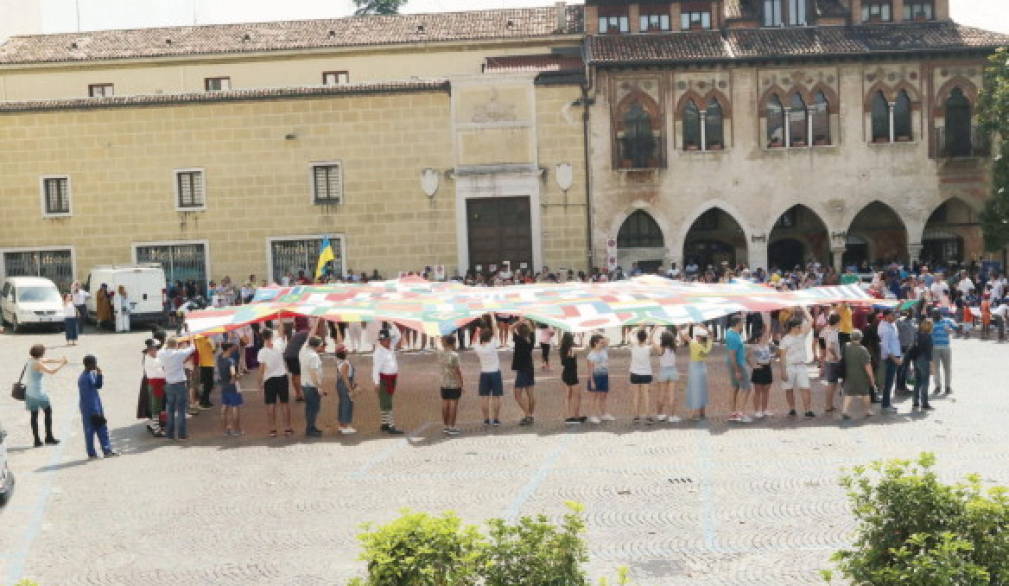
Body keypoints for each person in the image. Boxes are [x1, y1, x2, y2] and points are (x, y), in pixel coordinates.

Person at [24, 344, 67, 447]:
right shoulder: (38, 363)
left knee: (34, 416)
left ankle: (36, 440)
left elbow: (46, 360)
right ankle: (49, 437)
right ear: (41, 353)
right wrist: (62, 364)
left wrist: (58, 360)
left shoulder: (30, 360)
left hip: (29, 393)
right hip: (39, 394)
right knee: (48, 412)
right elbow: (51, 371)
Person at [77, 355, 117, 458]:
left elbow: (98, 386)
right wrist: (96, 412)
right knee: (96, 430)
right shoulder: (84, 379)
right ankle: (104, 452)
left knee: (93, 430)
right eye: (94, 363)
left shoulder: (90, 373)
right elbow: (87, 397)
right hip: (91, 409)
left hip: (94, 406)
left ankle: (96, 453)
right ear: (89, 364)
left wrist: (99, 375)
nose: (96, 365)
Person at [157, 337, 196, 441]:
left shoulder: (162, 354)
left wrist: (166, 344)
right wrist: (192, 339)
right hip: (180, 383)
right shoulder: (179, 354)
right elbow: (193, 348)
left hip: (169, 384)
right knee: (181, 410)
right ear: (176, 345)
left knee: (170, 410)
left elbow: (161, 349)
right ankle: (182, 434)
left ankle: (169, 434)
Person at [779, 307, 815, 418]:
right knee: (789, 389)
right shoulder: (785, 340)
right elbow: (782, 358)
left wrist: (803, 307)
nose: (801, 327)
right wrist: (783, 372)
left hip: (801, 366)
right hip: (789, 367)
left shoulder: (802, 334)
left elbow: (811, 320)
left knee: (806, 388)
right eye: (799, 326)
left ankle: (808, 410)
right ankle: (792, 408)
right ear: (794, 327)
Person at [257, 329, 293, 437]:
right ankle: (287, 428)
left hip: (269, 379)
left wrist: (259, 383)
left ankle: (272, 429)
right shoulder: (278, 345)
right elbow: (282, 332)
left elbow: (261, 369)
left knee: (270, 404)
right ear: (272, 336)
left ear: (262, 338)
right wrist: (279, 316)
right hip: (282, 377)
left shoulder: (262, 352)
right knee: (285, 403)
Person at [372, 325, 405, 435]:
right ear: (381, 340)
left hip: (391, 379)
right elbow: (375, 369)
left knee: (385, 402)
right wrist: (376, 383)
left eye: (389, 338)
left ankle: (384, 424)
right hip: (384, 380)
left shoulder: (390, 346)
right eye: (386, 339)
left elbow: (399, 335)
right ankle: (391, 426)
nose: (389, 340)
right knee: (387, 403)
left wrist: (392, 323)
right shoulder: (378, 353)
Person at [474, 314, 503, 426]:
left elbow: (475, 339)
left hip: (484, 373)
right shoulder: (492, 344)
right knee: (496, 397)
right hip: (495, 372)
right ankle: (496, 419)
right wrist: (492, 316)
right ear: (490, 337)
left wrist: (477, 331)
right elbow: (495, 329)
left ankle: (486, 419)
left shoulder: (478, 348)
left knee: (484, 397)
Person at [841, 330, 876, 420]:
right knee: (865, 394)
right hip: (861, 377)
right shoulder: (863, 350)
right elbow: (868, 366)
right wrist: (872, 379)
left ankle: (844, 410)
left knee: (849, 393)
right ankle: (867, 410)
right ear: (861, 338)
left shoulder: (846, 346)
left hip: (848, 375)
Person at [725, 316, 752, 423]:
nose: (743, 324)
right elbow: (732, 355)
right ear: (737, 323)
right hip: (738, 364)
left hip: (736, 363)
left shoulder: (732, 333)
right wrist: (737, 370)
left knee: (735, 388)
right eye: (742, 322)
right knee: (747, 388)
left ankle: (734, 414)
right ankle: (740, 413)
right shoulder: (733, 336)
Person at [436, 335, 463, 435]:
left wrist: (438, 336)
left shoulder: (440, 353)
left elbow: (438, 342)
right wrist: (462, 383)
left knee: (445, 404)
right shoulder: (454, 355)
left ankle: (446, 426)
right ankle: (452, 426)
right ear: (453, 343)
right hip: (454, 383)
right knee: (453, 405)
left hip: (444, 382)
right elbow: (458, 371)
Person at [511, 318, 537, 425]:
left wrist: (519, 322)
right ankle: (530, 415)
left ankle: (528, 414)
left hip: (522, 371)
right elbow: (533, 330)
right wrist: (527, 324)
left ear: (519, 332)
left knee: (517, 395)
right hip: (530, 368)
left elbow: (511, 328)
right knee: (530, 394)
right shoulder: (531, 340)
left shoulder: (518, 340)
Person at [685, 326, 714, 421]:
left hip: (694, 368)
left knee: (694, 390)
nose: (696, 337)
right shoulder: (707, 345)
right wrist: (705, 327)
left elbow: (685, 336)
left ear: (699, 337)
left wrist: (685, 327)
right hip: (702, 368)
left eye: (697, 336)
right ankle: (702, 412)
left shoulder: (694, 344)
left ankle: (693, 414)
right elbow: (711, 334)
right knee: (702, 390)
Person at [299, 336, 326, 437]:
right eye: (321, 345)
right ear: (317, 346)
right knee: (313, 408)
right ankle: (310, 429)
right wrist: (319, 387)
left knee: (310, 408)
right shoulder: (313, 356)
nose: (322, 346)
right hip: (312, 386)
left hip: (305, 384)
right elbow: (313, 372)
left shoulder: (304, 351)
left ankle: (311, 427)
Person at [877, 309, 902, 413]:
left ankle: (887, 403)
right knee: (889, 382)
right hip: (891, 358)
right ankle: (885, 405)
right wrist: (895, 358)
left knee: (890, 382)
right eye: (893, 315)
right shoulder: (885, 329)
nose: (895, 316)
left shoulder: (889, 323)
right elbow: (885, 347)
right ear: (887, 316)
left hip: (894, 355)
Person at [628, 327, 655, 424]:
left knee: (636, 395)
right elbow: (651, 340)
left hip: (634, 373)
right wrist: (654, 328)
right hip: (646, 373)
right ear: (645, 338)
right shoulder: (648, 348)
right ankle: (648, 415)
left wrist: (637, 328)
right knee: (646, 395)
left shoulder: (633, 346)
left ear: (638, 337)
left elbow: (630, 334)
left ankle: (636, 416)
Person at [654, 328, 682, 423]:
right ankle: (672, 416)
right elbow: (681, 340)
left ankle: (659, 414)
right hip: (673, 371)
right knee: (672, 395)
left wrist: (654, 329)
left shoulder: (660, 349)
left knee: (661, 395)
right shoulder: (674, 348)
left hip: (663, 371)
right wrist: (679, 330)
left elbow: (650, 340)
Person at [585, 333, 614, 424]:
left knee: (604, 396)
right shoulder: (590, 355)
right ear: (595, 343)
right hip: (596, 377)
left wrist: (599, 334)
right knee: (594, 397)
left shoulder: (604, 349)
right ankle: (593, 415)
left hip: (604, 375)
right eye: (601, 343)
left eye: (602, 343)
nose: (603, 344)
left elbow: (608, 339)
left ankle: (603, 414)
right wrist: (592, 381)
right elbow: (590, 370)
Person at [217, 342, 244, 436]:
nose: (233, 348)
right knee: (235, 408)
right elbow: (233, 374)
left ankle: (225, 430)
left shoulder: (220, 358)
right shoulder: (231, 361)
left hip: (224, 386)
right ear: (228, 349)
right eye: (231, 347)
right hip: (232, 386)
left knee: (224, 408)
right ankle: (237, 430)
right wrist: (238, 376)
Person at [749, 325, 775, 419]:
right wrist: (753, 365)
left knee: (766, 391)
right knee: (757, 391)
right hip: (759, 369)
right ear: (759, 337)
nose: (766, 337)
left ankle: (765, 410)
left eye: (766, 336)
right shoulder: (755, 347)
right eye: (764, 336)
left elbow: (771, 356)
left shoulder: (769, 346)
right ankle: (757, 410)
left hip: (767, 368)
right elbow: (747, 357)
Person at [558, 332, 584, 424]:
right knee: (577, 396)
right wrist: (581, 339)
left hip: (566, 374)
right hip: (572, 374)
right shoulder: (570, 350)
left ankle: (569, 415)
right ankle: (576, 415)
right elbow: (582, 348)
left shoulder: (562, 349)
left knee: (568, 395)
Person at [143, 339, 166, 436]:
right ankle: (156, 430)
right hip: (155, 384)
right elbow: (161, 366)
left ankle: (155, 426)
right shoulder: (149, 359)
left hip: (159, 384)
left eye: (155, 349)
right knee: (156, 407)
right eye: (152, 349)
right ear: (148, 350)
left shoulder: (154, 357)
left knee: (158, 406)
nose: (154, 351)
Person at [820, 313, 842, 413]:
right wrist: (837, 356)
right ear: (837, 321)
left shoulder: (827, 330)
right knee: (831, 384)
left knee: (832, 383)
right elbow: (831, 347)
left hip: (829, 360)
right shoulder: (833, 332)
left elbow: (824, 345)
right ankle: (828, 405)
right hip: (833, 360)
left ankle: (829, 404)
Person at [284, 319, 310, 402]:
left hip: (288, 355)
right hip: (293, 356)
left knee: (294, 375)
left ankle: (297, 393)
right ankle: (299, 395)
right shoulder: (306, 334)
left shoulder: (300, 333)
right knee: (297, 375)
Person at [930, 309, 956, 395]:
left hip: (946, 347)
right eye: (933, 315)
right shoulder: (931, 322)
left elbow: (956, 329)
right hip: (934, 348)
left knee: (947, 368)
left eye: (935, 315)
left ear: (939, 314)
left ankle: (948, 387)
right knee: (936, 369)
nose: (934, 317)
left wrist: (950, 331)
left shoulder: (948, 321)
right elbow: (927, 334)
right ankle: (938, 386)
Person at [333, 344, 357, 434]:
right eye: (345, 350)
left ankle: (342, 425)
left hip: (340, 384)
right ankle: (345, 426)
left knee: (343, 403)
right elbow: (345, 378)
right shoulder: (345, 363)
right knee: (347, 404)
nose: (347, 351)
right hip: (345, 384)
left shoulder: (338, 361)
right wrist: (351, 389)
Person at [911, 319, 934, 411]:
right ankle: (924, 403)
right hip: (924, 360)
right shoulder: (928, 337)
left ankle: (915, 401)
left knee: (917, 381)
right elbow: (929, 353)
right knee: (925, 382)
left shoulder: (917, 335)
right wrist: (932, 366)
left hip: (916, 359)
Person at [895, 311, 917, 393]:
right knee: (901, 369)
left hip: (911, 347)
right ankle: (899, 388)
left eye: (912, 312)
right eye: (910, 312)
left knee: (909, 369)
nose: (912, 314)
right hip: (902, 348)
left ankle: (904, 386)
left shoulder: (913, 321)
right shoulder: (899, 321)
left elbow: (914, 333)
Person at [194, 335, 216, 409]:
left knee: (206, 384)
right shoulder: (209, 339)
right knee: (209, 384)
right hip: (208, 364)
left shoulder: (197, 338)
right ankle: (204, 402)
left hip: (202, 364)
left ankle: (203, 400)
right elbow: (214, 351)